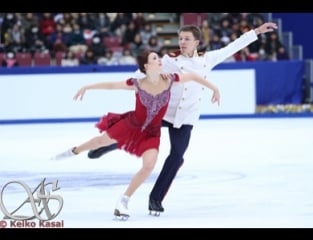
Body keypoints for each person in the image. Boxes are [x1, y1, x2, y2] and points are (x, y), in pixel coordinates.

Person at [87, 22, 278, 214]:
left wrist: (257, 32)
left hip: (186, 116)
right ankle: (106, 145)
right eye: (180, 38)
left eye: (187, 39)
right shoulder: (169, 60)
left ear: (197, 42)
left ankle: (155, 199)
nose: (182, 42)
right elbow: (145, 71)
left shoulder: (207, 59)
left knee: (177, 155)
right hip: (164, 110)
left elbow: (232, 47)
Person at [51, 50, 220, 219]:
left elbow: (192, 76)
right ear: (147, 66)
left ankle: (124, 200)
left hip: (152, 133)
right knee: (100, 141)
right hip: (131, 125)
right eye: (155, 58)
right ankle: (74, 150)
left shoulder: (170, 80)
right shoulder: (137, 83)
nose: (160, 60)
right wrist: (86, 87)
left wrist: (214, 88)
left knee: (148, 165)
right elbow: (112, 85)